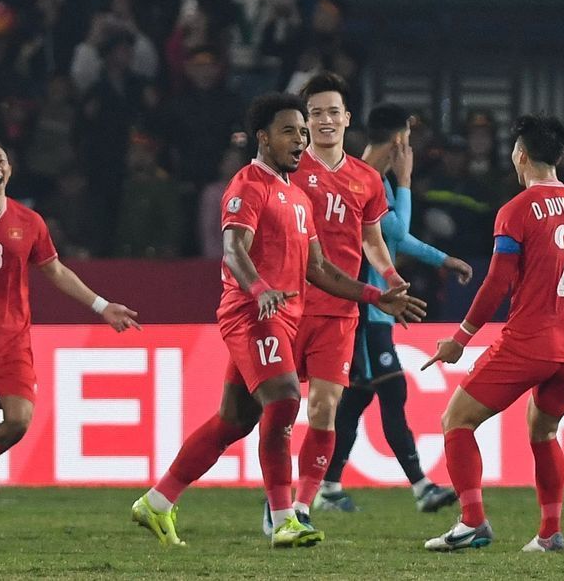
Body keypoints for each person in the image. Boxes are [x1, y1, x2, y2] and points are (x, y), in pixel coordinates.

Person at [131, 93, 426, 549]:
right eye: (289, 131)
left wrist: (375, 296)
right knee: (286, 399)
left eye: (302, 133)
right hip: (251, 313)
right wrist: (259, 289)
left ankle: (157, 500)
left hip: (284, 315)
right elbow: (234, 249)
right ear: (263, 138)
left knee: (234, 421)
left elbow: (320, 269)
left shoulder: (298, 197)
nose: (300, 140)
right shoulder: (248, 185)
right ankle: (286, 518)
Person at [0, 134, 140, 533]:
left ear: (10, 169)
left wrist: (102, 306)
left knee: (19, 420)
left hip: (13, 341)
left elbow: (56, 271)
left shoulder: (29, 221)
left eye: (1, 160)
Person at [420, 114, 564, 554]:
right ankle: (550, 533)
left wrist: (460, 339)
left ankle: (473, 522)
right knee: (543, 431)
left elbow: (497, 282)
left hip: (529, 341)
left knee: (456, 420)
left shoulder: (517, 210)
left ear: (520, 155)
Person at [319, 102, 472, 513]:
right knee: (391, 387)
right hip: (365, 308)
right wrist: (405, 181)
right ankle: (421, 487)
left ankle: (328, 487)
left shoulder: (371, 179)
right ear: (401, 139)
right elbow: (398, 233)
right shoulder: (363, 180)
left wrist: (443, 259)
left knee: (356, 400)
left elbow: (393, 238)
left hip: (375, 306)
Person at [270, 73, 397, 534]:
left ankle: (302, 507)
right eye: (316, 113)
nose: (326, 120)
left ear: (347, 118)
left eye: (333, 112)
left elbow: (372, 240)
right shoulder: (286, 171)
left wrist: (391, 277)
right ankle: (276, 498)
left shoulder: (367, 179)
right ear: (305, 121)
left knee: (324, 408)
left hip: (339, 311)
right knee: (277, 410)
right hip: (287, 306)